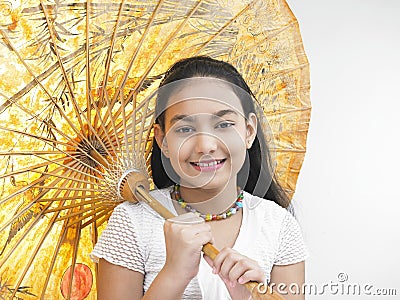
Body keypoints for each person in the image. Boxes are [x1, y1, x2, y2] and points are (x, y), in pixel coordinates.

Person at [91, 56, 307, 299]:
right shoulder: (132, 223)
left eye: (224, 124)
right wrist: (174, 274)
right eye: (185, 129)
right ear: (162, 140)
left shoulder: (279, 226)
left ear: (248, 131)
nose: (205, 145)